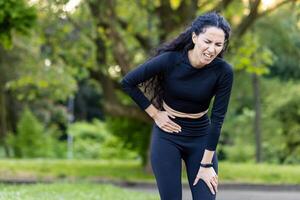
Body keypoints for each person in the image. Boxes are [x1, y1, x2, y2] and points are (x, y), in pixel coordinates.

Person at [120, 11, 233, 200]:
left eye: (218, 45)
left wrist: (206, 165)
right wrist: (156, 114)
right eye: (208, 42)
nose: (212, 49)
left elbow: (217, 120)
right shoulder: (170, 61)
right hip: (167, 136)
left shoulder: (223, 72)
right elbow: (128, 82)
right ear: (195, 37)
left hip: (201, 137)